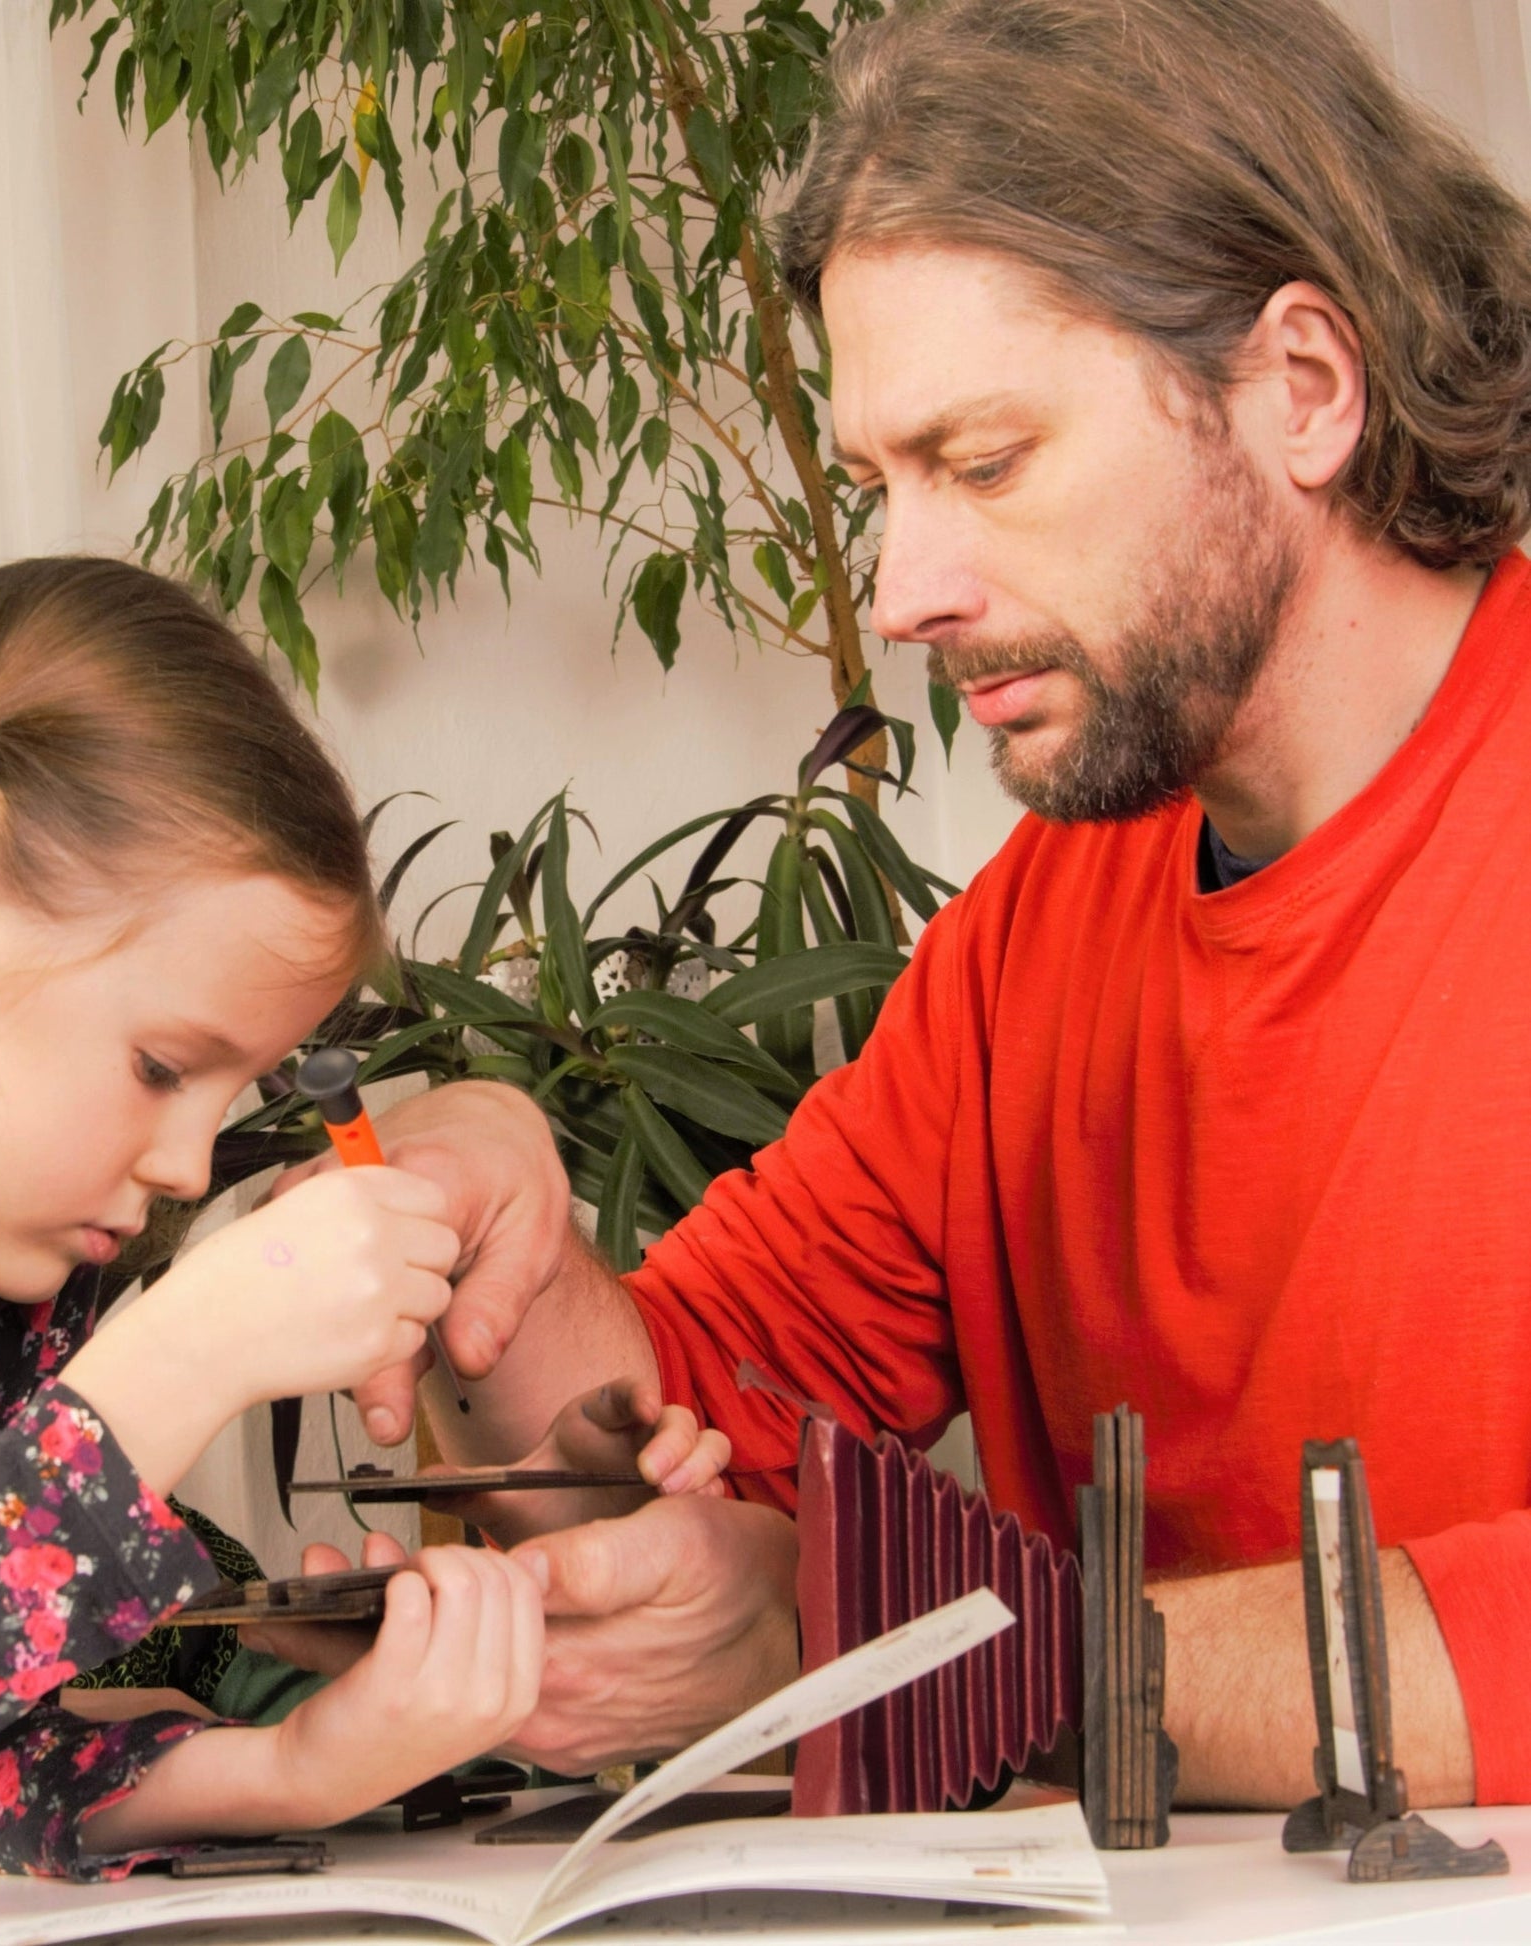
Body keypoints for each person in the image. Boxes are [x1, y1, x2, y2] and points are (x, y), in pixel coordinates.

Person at [253, 0, 1531, 1812]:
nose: (903, 589)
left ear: (1302, 389)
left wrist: (911, 1657)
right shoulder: (1038, 933)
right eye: (878, 486)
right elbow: (681, 1437)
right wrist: (485, 1241)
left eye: (984, 462)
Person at [0, 556, 726, 1897]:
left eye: (229, 1093)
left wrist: (300, 1764)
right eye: (162, 1065)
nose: (188, 1166)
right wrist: (182, 1356)